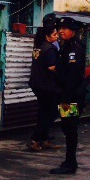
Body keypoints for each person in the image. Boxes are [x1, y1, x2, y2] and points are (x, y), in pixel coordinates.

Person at [50, 17, 89, 175]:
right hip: (68, 95)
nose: (61, 31)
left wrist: (66, 100)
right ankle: (69, 161)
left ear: (73, 31)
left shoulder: (73, 49)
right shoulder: (67, 46)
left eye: (65, 28)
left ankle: (70, 163)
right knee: (68, 128)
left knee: (70, 128)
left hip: (71, 97)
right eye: (59, 28)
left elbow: (72, 76)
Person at [26, 24, 61, 152]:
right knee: (50, 113)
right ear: (47, 36)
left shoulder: (38, 48)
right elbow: (52, 67)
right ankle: (35, 140)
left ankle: (44, 139)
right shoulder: (50, 49)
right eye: (54, 34)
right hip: (47, 86)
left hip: (38, 84)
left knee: (44, 111)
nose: (57, 36)